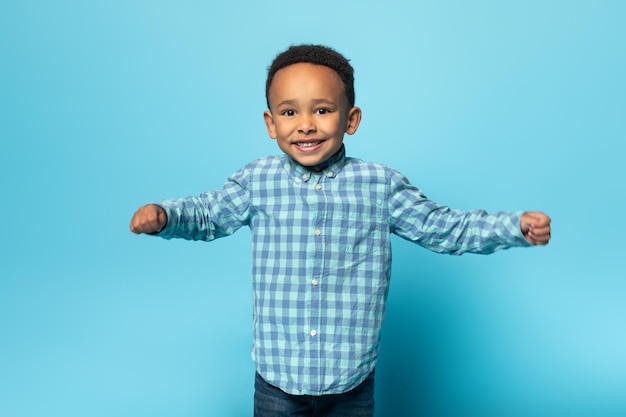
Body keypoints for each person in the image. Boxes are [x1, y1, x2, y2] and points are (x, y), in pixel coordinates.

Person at [129, 44, 551, 417]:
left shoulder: (380, 185)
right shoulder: (257, 180)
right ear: (270, 123)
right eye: (289, 111)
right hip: (278, 378)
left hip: (351, 379)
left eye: (322, 109)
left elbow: (444, 227)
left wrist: (512, 227)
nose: (306, 124)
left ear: (351, 119)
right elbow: (209, 214)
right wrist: (166, 215)